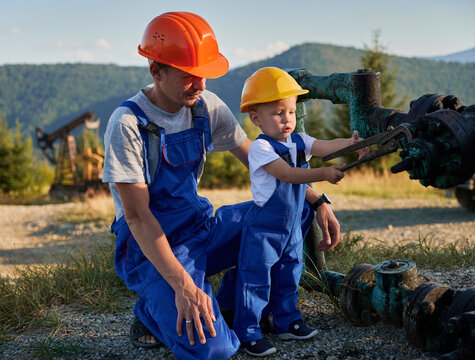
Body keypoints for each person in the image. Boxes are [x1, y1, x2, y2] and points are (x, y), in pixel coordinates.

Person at [103, 12, 343, 360]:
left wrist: (319, 201)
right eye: (189, 76)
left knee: (295, 206)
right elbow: (139, 219)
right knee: (215, 349)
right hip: (150, 249)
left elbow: (261, 162)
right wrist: (184, 286)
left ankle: (229, 302)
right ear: (157, 70)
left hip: (201, 230)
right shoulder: (127, 124)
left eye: (203, 75)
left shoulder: (205, 106)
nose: (200, 86)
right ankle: (152, 310)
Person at [214, 67, 366, 357]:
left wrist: (351, 144)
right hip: (264, 228)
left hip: (291, 227)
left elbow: (324, 146)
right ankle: (247, 331)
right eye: (278, 113)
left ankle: (287, 321)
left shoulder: (299, 140)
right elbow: (286, 174)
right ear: (256, 118)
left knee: (289, 272)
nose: (287, 120)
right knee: (255, 277)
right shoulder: (261, 148)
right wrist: (323, 174)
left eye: (291, 112)